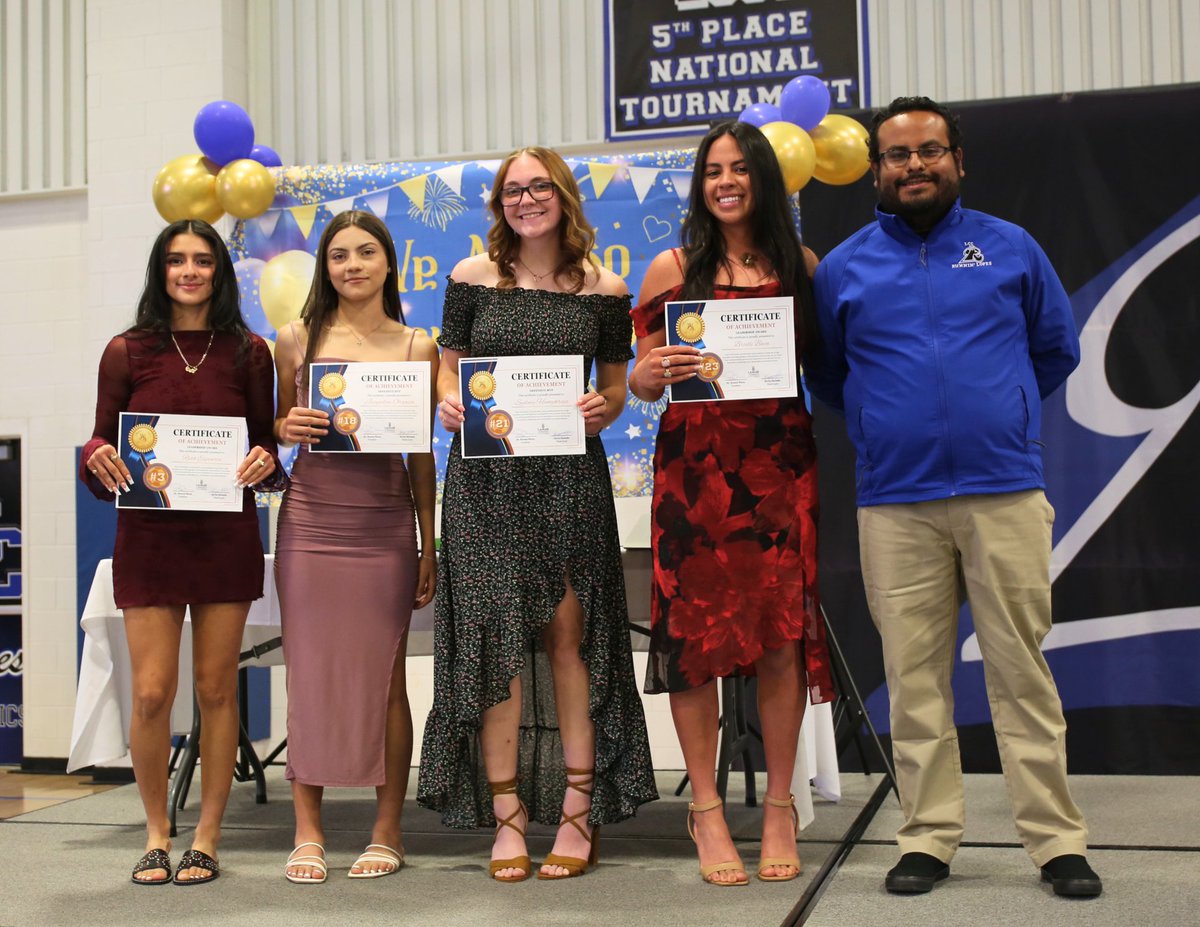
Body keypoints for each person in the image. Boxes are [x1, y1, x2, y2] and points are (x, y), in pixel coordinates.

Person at [808, 96, 1101, 898]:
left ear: (958, 161)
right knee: (913, 676)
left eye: (929, 151)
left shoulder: (1011, 248)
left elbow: (1054, 350)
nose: (914, 166)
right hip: (894, 502)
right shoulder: (843, 268)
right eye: (898, 155)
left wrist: (994, 413)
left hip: (1004, 493)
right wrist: (887, 423)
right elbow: (830, 377)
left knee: (1021, 671)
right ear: (876, 171)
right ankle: (929, 835)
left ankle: (1056, 840)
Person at [416, 146, 658, 882]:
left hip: (567, 481)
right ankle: (509, 819)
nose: (525, 199)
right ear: (499, 204)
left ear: (563, 195)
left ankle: (579, 815)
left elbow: (616, 392)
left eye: (537, 186)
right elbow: (444, 366)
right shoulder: (469, 278)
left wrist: (599, 410)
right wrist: (447, 400)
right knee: (493, 646)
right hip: (485, 486)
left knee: (569, 639)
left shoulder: (605, 288)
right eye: (512, 190)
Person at [627, 120, 835, 887]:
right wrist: (651, 373)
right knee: (695, 643)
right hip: (694, 471)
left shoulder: (799, 264)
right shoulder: (670, 267)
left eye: (740, 169)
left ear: (763, 180)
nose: (725, 181)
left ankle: (780, 802)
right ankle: (707, 807)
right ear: (699, 183)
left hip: (778, 469)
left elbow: (827, 366)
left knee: (781, 638)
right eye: (712, 169)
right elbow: (643, 382)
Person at [80, 219, 280, 885]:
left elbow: (269, 452)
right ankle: (157, 832)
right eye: (176, 260)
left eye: (201, 260)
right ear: (160, 270)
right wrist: (98, 456)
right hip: (151, 540)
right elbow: (97, 442)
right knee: (150, 691)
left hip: (224, 539)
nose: (189, 271)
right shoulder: (126, 350)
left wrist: (265, 460)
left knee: (217, 689)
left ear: (220, 271)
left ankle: (208, 835)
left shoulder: (249, 352)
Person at [273, 210, 437, 883]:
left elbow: (424, 453)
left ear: (389, 262)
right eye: (338, 255)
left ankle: (386, 827)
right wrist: (291, 422)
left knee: (385, 678)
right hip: (311, 520)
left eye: (366, 252)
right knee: (307, 676)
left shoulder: (417, 345)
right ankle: (306, 831)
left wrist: (430, 539)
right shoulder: (294, 338)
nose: (352, 265)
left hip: (384, 524)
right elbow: (275, 427)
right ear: (326, 267)